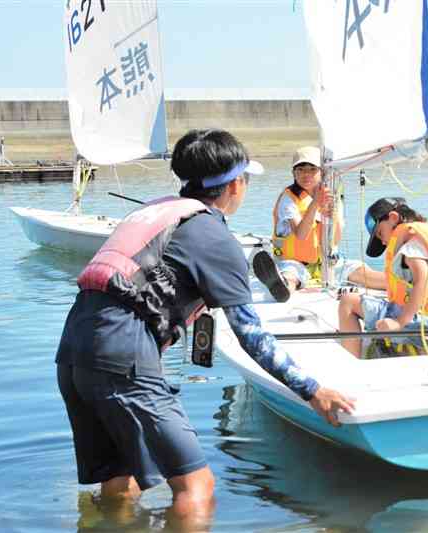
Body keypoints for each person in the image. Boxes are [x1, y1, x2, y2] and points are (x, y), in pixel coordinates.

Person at [55, 129, 355, 529]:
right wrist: (313, 391)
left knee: (120, 480)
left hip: (73, 350)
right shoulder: (214, 236)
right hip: (122, 355)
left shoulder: (155, 212)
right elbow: (251, 335)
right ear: (235, 184)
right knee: (196, 486)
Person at [252, 146, 385, 302]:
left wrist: (334, 215)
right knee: (292, 274)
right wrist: (315, 204)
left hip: (327, 263)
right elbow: (301, 235)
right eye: (300, 170)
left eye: (312, 169)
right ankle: (282, 286)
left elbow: (336, 238)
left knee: (360, 271)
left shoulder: (332, 196)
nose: (306, 174)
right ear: (294, 173)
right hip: (296, 262)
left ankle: (406, 282)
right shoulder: (288, 200)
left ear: (322, 171)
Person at [338, 197, 428, 357]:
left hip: (424, 323)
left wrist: (399, 322)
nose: (383, 242)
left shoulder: (410, 247)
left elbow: (423, 281)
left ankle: (351, 366)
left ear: (393, 218)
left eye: (380, 233)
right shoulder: (424, 237)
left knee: (349, 301)